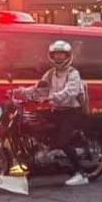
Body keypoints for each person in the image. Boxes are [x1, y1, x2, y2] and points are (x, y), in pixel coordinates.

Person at [36, 40, 89, 187]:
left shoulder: (73, 73)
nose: (59, 58)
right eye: (56, 55)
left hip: (72, 111)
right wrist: (22, 93)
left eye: (62, 55)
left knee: (63, 142)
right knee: (37, 124)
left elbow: (70, 92)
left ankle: (81, 173)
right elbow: (40, 87)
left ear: (68, 56)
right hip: (57, 110)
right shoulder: (50, 73)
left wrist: (52, 97)